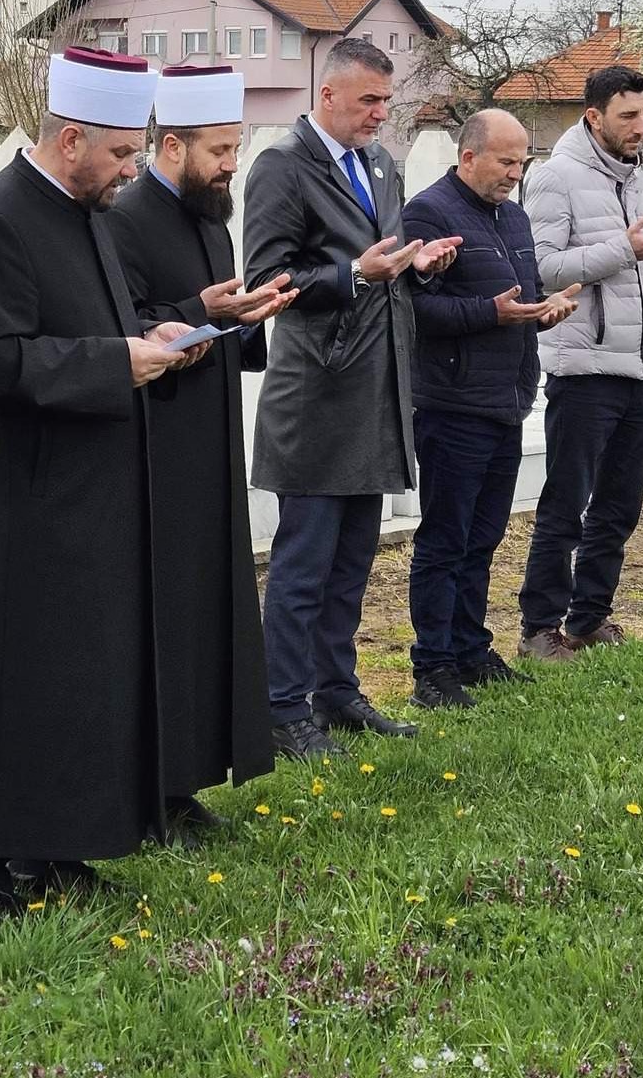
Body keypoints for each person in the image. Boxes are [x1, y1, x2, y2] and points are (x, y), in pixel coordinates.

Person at [0, 48, 194, 928]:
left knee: (77, 681)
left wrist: (155, 332)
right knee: (6, 682)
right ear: (70, 141)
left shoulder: (87, 211)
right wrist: (120, 361)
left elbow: (88, 323)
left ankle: (56, 848)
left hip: (86, 495)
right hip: (16, 504)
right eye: (117, 155)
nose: (130, 172)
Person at [242, 37, 460, 759]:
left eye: (386, 101)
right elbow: (268, 281)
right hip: (318, 397)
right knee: (303, 569)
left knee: (351, 565)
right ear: (327, 94)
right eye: (368, 100)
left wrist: (414, 265)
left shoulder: (380, 166)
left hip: (376, 391)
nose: (380, 113)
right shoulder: (282, 168)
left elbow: (381, 265)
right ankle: (282, 708)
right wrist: (356, 273)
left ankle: (337, 695)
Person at [106, 64, 296, 845]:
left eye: (237, 147)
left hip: (209, 444)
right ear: (172, 144)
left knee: (206, 618)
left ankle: (186, 783)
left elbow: (214, 321)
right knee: (164, 622)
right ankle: (153, 789)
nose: (231, 165)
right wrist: (200, 311)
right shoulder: (124, 219)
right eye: (219, 149)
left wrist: (245, 316)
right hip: (152, 454)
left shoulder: (211, 215)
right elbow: (122, 327)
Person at [516, 66, 643, 661]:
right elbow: (541, 270)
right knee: (567, 501)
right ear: (593, 116)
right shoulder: (554, 179)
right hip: (583, 365)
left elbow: (632, 273)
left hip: (639, 363)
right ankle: (540, 628)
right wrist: (627, 248)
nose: (641, 128)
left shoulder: (641, 180)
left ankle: (591, 617)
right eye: (628, 116)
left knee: (620, 505)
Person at [400, 108, 580, 709]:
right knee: (446, 538)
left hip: (506, 398)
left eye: (522, 161)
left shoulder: (515, 215)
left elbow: (517, 300)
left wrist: (544, 309)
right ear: (469, 156)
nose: (515, 171)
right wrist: (492, 314)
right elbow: (417, 312)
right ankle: (434, 667)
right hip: (453, 402)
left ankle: (471, 649)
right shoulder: (428, 212)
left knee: (484, 537)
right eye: (505, 161)